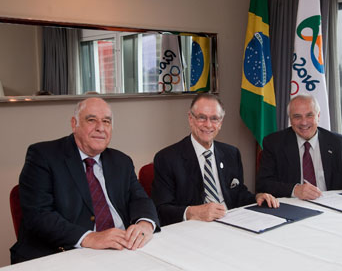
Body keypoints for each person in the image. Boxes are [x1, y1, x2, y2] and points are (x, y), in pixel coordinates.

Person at [10, 98, 160, 263]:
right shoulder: (43, 156)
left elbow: (139, 199)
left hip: (122, 251)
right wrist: (90, 238)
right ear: (74, 124)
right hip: (65, 253)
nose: (100, 128)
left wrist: (145, 224)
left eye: (106, 121)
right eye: (91, 120)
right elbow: (38, 215)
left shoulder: (121, 161)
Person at [151, 93, 279, 226]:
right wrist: (192, 212)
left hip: (231, 223)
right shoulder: (167, 158)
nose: (208, 124)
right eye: (201, 117)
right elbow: (160, 209)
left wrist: (257, 197)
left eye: (214, 119)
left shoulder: (231, 153)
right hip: (193, 228)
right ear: (190, 118)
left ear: (221, 123)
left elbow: (238, 194)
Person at [257, 94, 342, 200]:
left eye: (309, 115)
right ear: (290, 119)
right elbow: (263, 184)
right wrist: (295, 190)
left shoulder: (339, 143)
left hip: (332, 209)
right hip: (293, 208)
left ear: (318, 116)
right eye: (297, 116)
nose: (304, 122)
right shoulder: (274, 143)